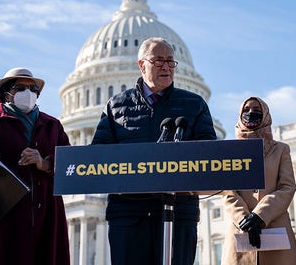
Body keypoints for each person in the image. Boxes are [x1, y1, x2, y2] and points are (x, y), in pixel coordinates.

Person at [91, 37, 217, 265]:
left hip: (178, 213)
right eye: (159, 60)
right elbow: (97, 157)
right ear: (142, 65)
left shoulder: (194, 104)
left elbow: (208, 157)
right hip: (129, 216)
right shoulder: (116, 106)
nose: (166, 66)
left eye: (170, 61)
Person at [0, 67, 70, 265]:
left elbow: (69, 167)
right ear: (6, 92)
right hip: (0, 214)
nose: (29, 93)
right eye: (21, 88)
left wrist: (43, 163)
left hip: (43, 215)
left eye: (33, 89)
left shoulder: (53, 125)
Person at [221, 97, 296, 264]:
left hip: (275, 228)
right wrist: (244, 218)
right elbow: (227, 191)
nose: (251, 114)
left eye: (256, 111)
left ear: (265, 115)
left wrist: (260, 215)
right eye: (246, 110)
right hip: (240, 230)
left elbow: (287, 187)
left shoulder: (281, 149)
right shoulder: (230, 151)